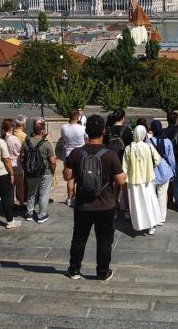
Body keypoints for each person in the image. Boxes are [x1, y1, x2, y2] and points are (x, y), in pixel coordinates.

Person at [65, 115, 127, 281]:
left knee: (79, 238)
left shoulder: (76, 153)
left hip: (82, 205)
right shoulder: (110, 155)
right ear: (104, 131)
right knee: (104, 240)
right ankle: (102, 272)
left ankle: (74, 269)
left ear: (86, 131)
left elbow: (67, 176)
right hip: (105, 205)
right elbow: (121, 180)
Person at [123, 125, 163, 235]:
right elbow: (158, 160)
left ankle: (139, 224)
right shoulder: (148, 146)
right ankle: (152, 225)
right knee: (149, 201)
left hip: (133, 180)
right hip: (147, 179)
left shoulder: (128, 148)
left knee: (137, 204)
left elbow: (124, 167)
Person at [20, 118, 57, 223]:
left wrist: (25, 168)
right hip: (45, 172)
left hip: (30, 172)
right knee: (44, 194)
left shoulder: (25, 142)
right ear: (42, 132)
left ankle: (29, 213)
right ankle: (41, 215)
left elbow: (22, 158)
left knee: (31, 193)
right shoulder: (46, 144)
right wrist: (52, 171)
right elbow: (53, 161)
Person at [148, 120, 175, 225]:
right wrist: (173, 171)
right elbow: (171, 158)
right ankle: (161, 217)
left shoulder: (148, 142)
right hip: (165, 171)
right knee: (162, 195)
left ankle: (153, 215)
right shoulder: (167, 141)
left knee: (152, 195)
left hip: (152, 171)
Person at [62, 109, 86, 207]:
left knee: (70, 178)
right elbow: (86, 138)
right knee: (81, 176)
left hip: (69, 153)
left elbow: (63, 139)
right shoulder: (82, 128)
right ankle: (80, 197)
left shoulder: (63, 128)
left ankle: (69, 198)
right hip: (80, 153)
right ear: (77, 117)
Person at [1, 119, 24, 208]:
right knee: (19, 186)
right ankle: (21, 203)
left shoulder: (0, 137)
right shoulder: (14, 139)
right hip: (16, 164)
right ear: (11, 127)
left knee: (10, 187)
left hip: (6, 165)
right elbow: (20, 150)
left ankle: (11, 203)